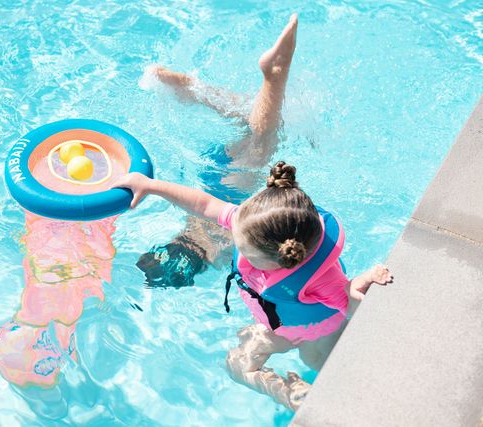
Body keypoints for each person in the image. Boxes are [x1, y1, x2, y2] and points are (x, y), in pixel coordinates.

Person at [113, 161, 393, 411]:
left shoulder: (320, 280)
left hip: (313, 332)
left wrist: (357, 288)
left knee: (316, 368)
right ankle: (294, 390)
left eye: (243, 249)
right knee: (241, 357)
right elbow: (204, 205)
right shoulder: (253, 226)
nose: (232, 240)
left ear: (280, 261)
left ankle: (296, 397)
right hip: (280, 324)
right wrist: (150, 186)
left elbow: (351, 307)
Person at [136, 14, 303, 288]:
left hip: (231, 188)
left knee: (264, 137)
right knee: (249, 124)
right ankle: (194, 90)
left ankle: (274, 74)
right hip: (209, 176)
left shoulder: (219, 254)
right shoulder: (187, 234)